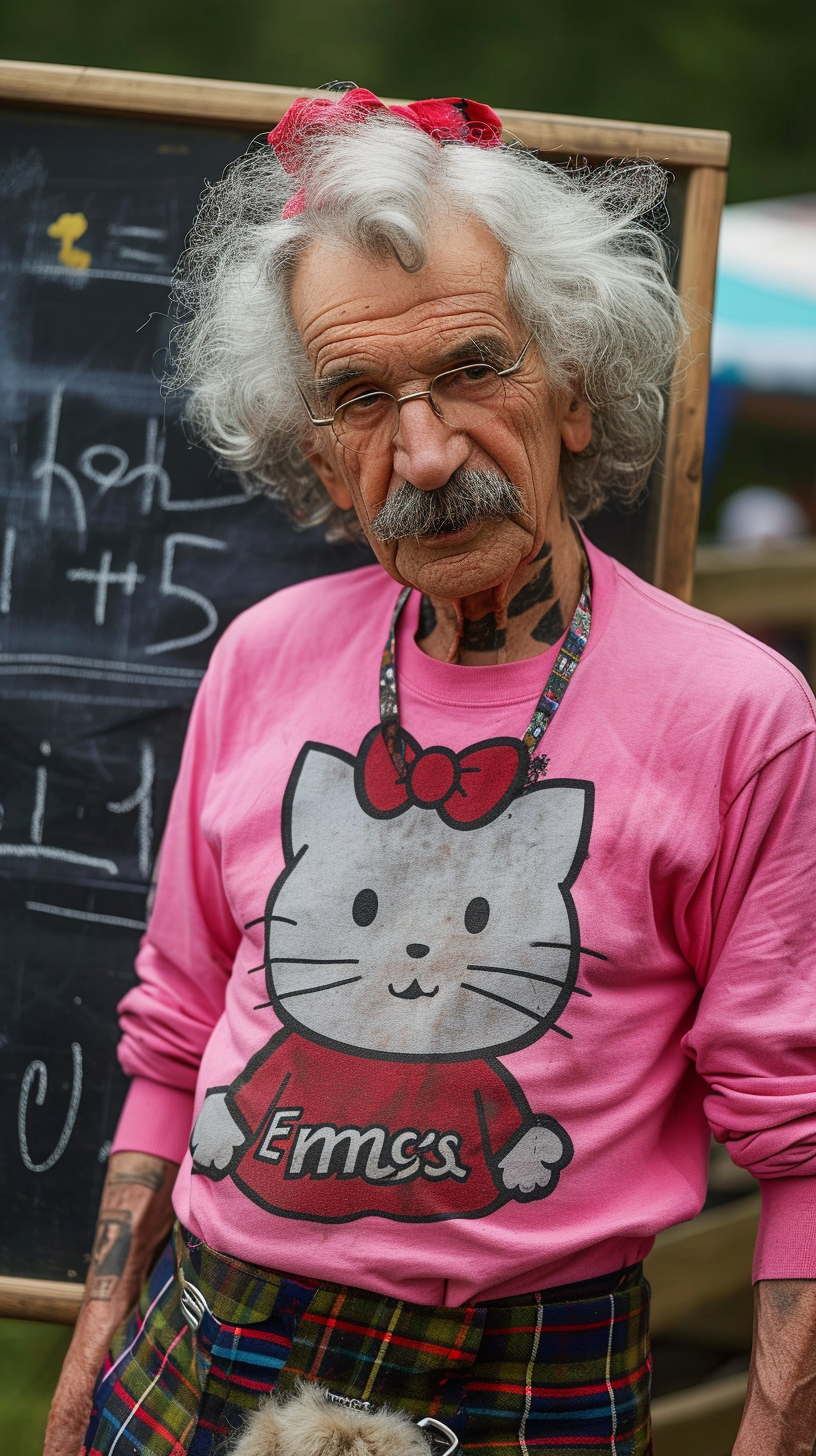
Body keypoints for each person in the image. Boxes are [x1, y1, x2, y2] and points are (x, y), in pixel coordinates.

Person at [46, 87, 816, 1456]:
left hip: (532, 1380)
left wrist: (774, 1423)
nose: (427, 454)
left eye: (473, 368)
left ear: (574, 390)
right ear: (319, 459)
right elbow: (172, 1029)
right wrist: (95, 1349)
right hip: (200, 1348)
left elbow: (800, 1138)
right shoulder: (262, 657)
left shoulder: (741, 715)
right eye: (357, 399)